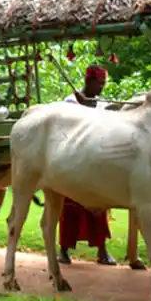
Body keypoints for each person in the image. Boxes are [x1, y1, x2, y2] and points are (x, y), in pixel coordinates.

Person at [58, 64, 117, 266]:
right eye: (99, 83)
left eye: (103, 84)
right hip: (73, 162)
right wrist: (82, 107)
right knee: (70, 207)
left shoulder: (101, 104)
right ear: (88, 82)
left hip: (94, 163)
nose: (101, 88)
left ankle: (102, 251)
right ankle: (64, 251)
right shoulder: (69, 102)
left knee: (98, 207)